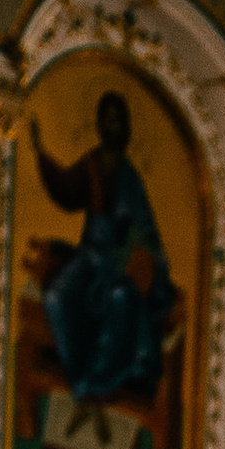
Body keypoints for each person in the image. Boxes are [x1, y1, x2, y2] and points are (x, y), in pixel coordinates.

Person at [34, 91, 177, 410]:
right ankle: (80, 377)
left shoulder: (130, 178)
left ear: (124, 128)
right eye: (106, 119)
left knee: (118, 298)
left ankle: (102, 379)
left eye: (117, 120)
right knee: (56, 295)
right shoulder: (92, 163)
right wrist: (42, 155)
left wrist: (134, 260)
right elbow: (66, 190)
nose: (110, 126)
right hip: (90, 256)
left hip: (120, 263)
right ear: (99, 125)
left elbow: (145, 232)